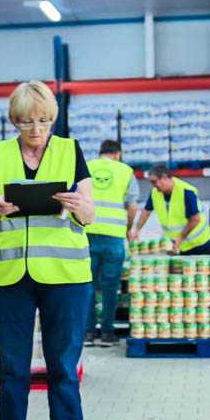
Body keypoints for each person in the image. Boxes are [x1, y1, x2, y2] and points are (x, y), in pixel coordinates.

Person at [0, 80, 94, 420]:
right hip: (9, 279)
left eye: (43, 121)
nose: (36, 129)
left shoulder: (70, 150)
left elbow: (91, 213)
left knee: (63, 370)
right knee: (12, 372)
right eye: (27, 122)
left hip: (66, 276)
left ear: (53, 118)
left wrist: (78, 206)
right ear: (14, 120)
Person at [84, 139, 139, 347]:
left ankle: (88, 333)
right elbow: (132, 206)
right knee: (110, 286)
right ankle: (107, 333)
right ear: (117, 154)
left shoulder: (86, 167)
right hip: (114, 237)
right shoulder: (126, 171)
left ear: (101, 153)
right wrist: (128, 228)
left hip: (87, 235)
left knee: (86, 285)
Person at [129, 164, 210, 255]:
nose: (153, 186)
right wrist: (137, 230)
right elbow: (146, 212)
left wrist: (180, 239)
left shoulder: (186, 192)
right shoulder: (155, 193)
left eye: (154, 182)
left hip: (200, 244)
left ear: (165, 177)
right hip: (179, 246)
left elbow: (195, 219)